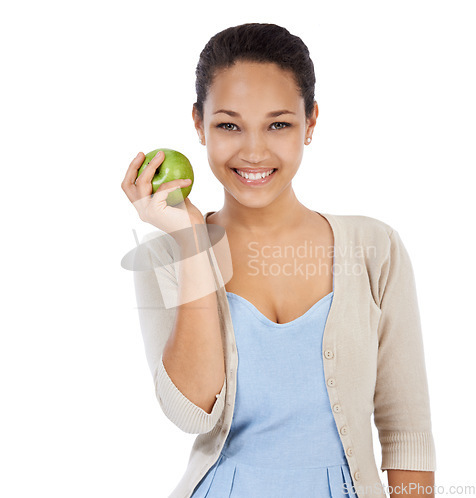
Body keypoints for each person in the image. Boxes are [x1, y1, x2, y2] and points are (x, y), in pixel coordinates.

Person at [121, 23, 436, 498]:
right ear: (197, 124)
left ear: (310, 123)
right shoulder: (165, 255)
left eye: (279, 124)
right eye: (228, 124)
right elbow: (190, 411)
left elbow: (407, 434)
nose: (253, 150)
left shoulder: (375, 248)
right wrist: (191, 242)